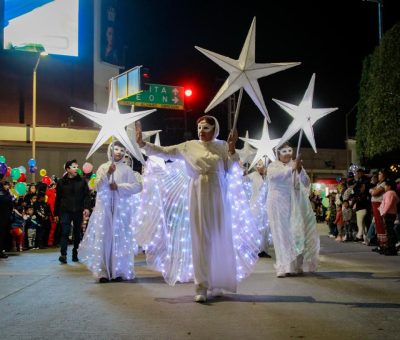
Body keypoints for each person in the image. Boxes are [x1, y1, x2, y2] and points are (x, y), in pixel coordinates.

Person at [136, 115, 253, 302]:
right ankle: (201, 286)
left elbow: (232, 169)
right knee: (200, 238)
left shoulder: (223, 146)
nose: (201, 131)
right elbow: (165, 151)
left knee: (218, 237)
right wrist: (143, 144)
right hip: (197, 193)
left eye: (206, 128)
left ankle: (217, 282)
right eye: (199, 127)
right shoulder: (189, 146)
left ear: (215, 130)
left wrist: (231, 149)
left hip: (218, 195)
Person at [79, 141, 143, 283]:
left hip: (121, 210)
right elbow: (97, 186)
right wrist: (108, 173)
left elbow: (137, 187)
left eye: (122, 149)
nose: (119, 152)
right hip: (105, 209)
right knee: (105, 239)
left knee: (120, 239)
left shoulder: (127, 170)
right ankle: (103, 271)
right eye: (116, 149)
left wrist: (119, 187)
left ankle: (119, 270)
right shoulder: (103, 167)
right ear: (111, 150)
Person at [266, 142, 319, 278]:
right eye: (284, 151)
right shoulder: (273, 166)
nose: (288, 154)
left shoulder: (295, 164)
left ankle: (295, 265)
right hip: (277, 203)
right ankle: (283, 266)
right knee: (281, 234)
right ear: (278, 153)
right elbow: (275, 178)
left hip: (295, 204)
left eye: (290, 150)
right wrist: (291, 169)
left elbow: (306, 182)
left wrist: (299, 169)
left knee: (296, 233)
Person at [54, 160, 90, 264]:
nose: (76, 169)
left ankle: (75, 253)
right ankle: (63, 254)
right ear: (68, 169)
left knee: (77, 233)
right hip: (65, 210)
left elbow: (86, 196)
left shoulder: (82, 181)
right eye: (73, 167)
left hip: (78, 210)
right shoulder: (61, 182)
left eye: (77, 167)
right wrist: (56, 213)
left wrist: (86, 208)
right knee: (65, 231)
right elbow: (58, 199)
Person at [246, 159, 271, 258]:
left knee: (265, 229)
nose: (259, 166)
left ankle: (263, 249)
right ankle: (254, 249)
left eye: (261, 165)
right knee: (255, 227)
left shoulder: (269, 176)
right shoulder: (252, 176)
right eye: (257, 164)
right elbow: (243, 180)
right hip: (255, 205)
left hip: (266, 206)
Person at [379, 180, 399, 256]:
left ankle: (391, 249)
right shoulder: (393, 193)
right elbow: (397, 200)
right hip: (392, 213)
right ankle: (390, 248)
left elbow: (388, 203)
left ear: (389, 186)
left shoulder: (389, 193)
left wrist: (384, 212)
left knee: (389, 232)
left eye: (385, 185)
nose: (384, 187)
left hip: (389, 214)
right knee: (390, 231)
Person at [0, 180, 13, 258]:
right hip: (2, 215)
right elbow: (6, 199)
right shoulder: (2, 191)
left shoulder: (4, 191)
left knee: (2, 234)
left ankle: (1, 250)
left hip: (4, 216)